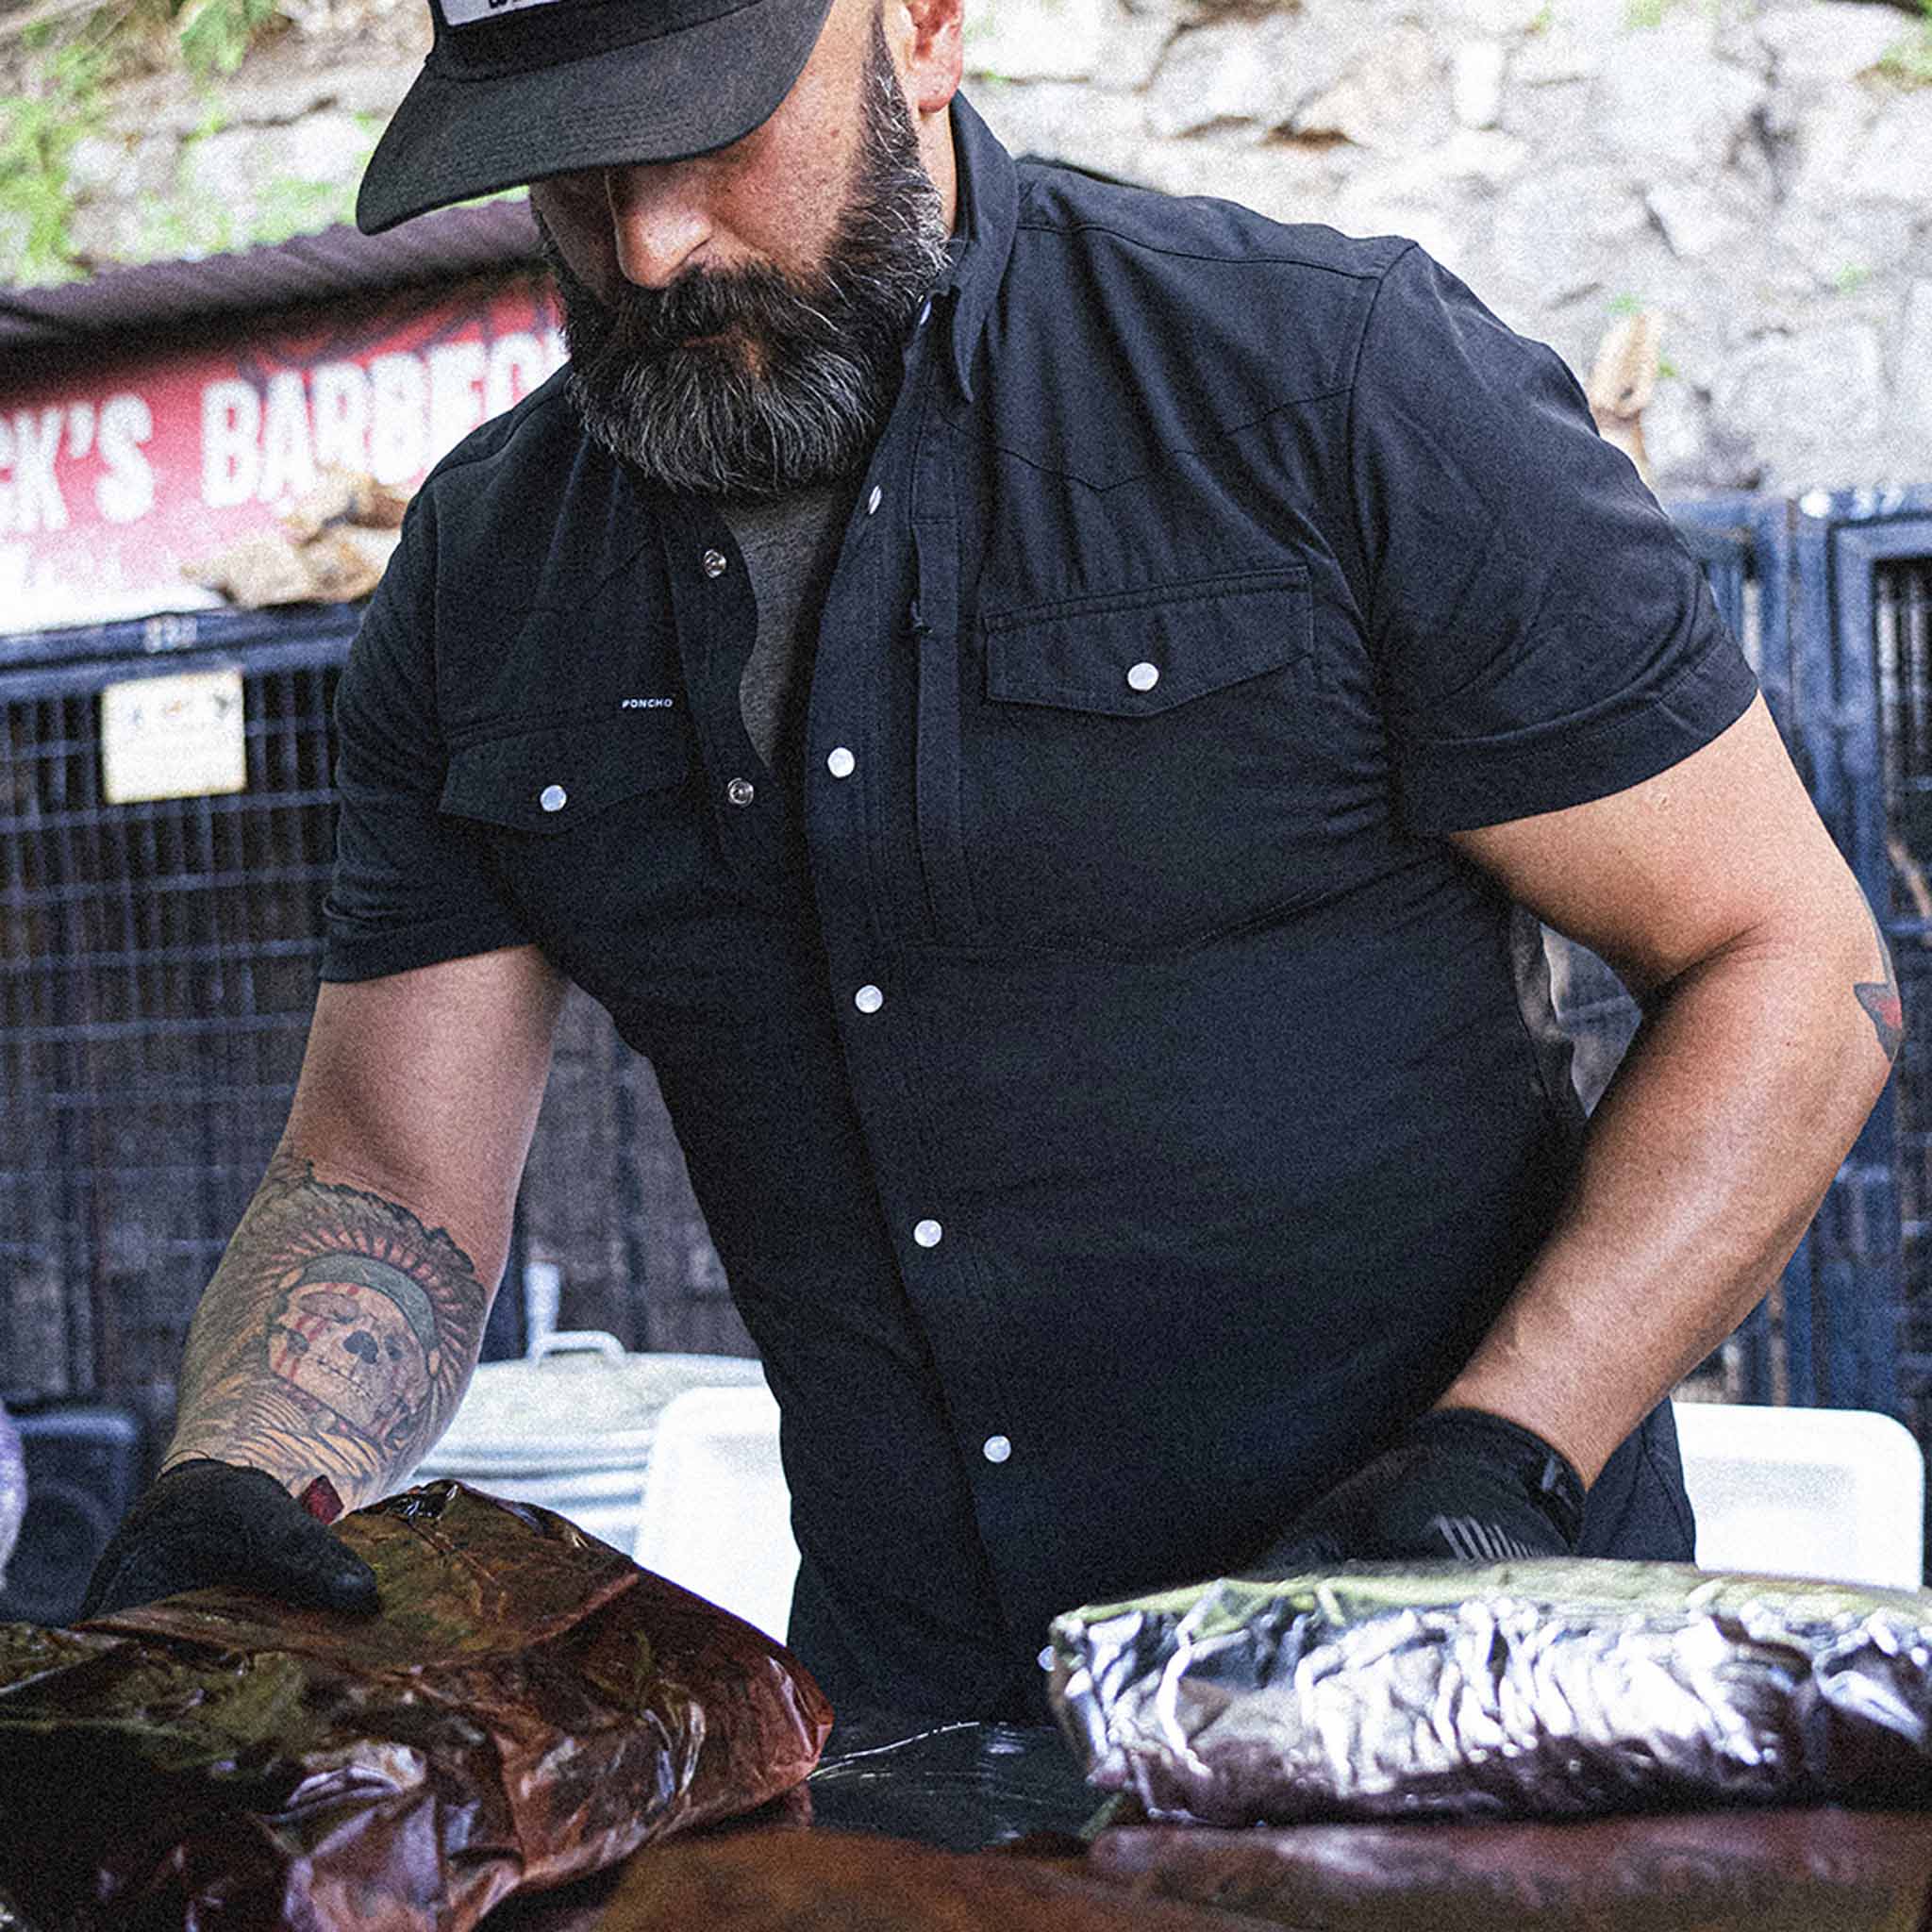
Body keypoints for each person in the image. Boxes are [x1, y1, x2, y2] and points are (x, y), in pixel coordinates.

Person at [81, 0, 1898, 1724]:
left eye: (708, 137)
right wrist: (241, 1474)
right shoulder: (484, 585)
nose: (646, 246)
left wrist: (1503, 1459)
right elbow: (385, 1173)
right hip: (919, 1728)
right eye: (569, 172)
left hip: (1460, 1671)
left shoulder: (1332, 388)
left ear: (927, 29)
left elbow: (1790, 962)